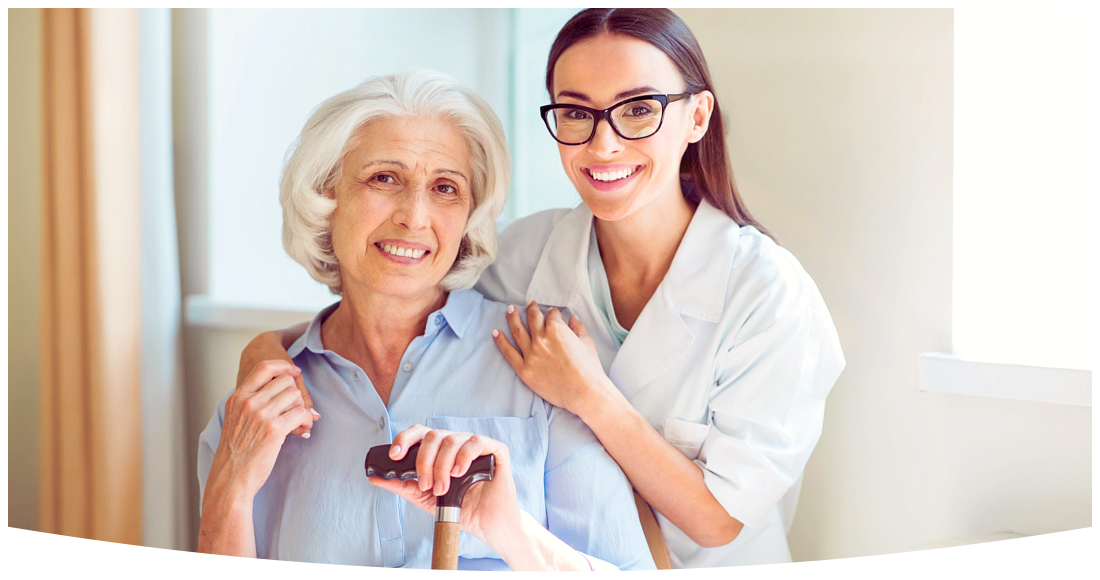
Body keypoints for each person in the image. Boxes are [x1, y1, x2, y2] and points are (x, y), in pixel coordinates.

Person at [240, 8, 845, 568]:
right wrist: (271, 346)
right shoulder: (525, 253)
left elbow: (718, 520)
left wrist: (590, 396)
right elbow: (397, 288)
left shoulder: (768, 296)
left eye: (639, 109)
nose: (603, 143)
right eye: (577, 112)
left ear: (697, 117)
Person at [197, 69, 654, 571]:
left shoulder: (545, 366)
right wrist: (230, 492)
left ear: (468, 217)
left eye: (444, 188)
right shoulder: (252, 415)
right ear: (327, 198)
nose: (415, 216)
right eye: (384, 178)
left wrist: (509, 530)